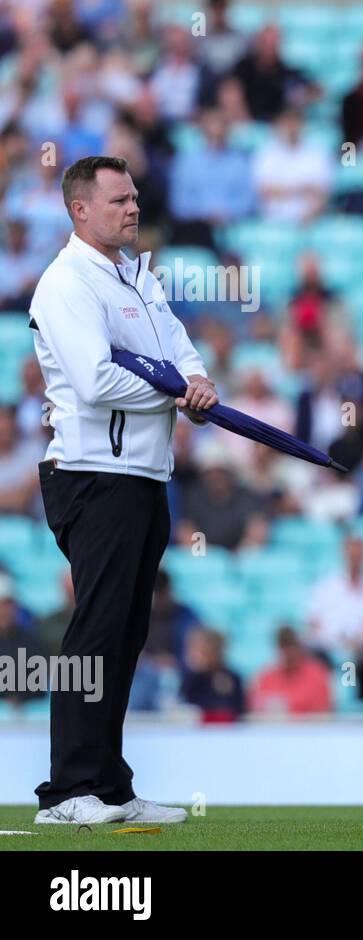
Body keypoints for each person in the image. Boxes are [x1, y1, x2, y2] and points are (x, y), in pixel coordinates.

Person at [27, 155, 217, 826]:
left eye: (134, 198)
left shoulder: (138, 277)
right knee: (97, 630)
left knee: (126, 632)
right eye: (118, 201)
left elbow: (181, 350)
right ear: (81, 210)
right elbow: (94, 380)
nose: (133, 209)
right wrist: (176, 391)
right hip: (91, 475)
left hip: (142, 475)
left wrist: (195, 385)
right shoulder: (65, 282)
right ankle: (66, 791)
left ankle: (108, 784)